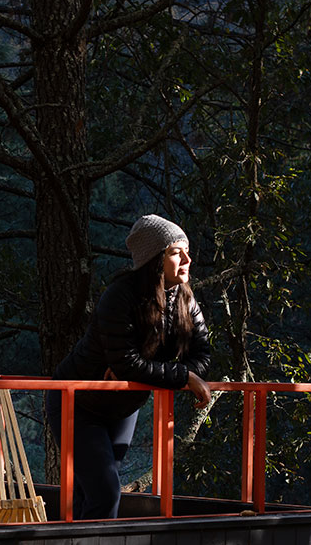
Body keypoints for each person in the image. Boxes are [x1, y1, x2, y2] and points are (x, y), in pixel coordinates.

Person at [47, 214, 213, 519]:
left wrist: (153, 373)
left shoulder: (185, 300)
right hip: (77, 402)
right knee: (105, 492)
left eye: (187, 251)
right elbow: (126, 363)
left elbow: (202, 356)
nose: (187, 260)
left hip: (124, 406)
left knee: (90, 494)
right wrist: (179, 375)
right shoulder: (120, 296)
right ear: (154, 260)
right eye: (176, 252)